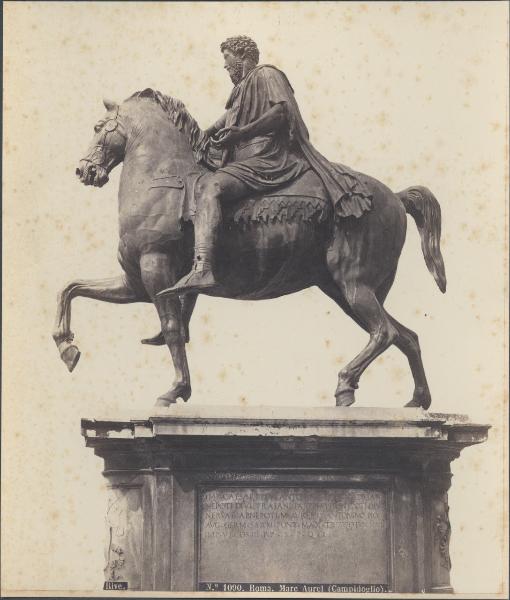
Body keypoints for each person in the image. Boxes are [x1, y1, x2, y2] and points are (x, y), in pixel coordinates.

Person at [162, 35, 372, 296]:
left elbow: (281, 114)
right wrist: (194, 138)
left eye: (227, 58)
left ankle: (204, 266)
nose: (224, 66)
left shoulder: (267, 75)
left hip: (268, 157)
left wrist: (241, 134)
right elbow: (221, 124)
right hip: (246, 160)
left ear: (242, 56)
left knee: (211, 186)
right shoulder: (241, 91)